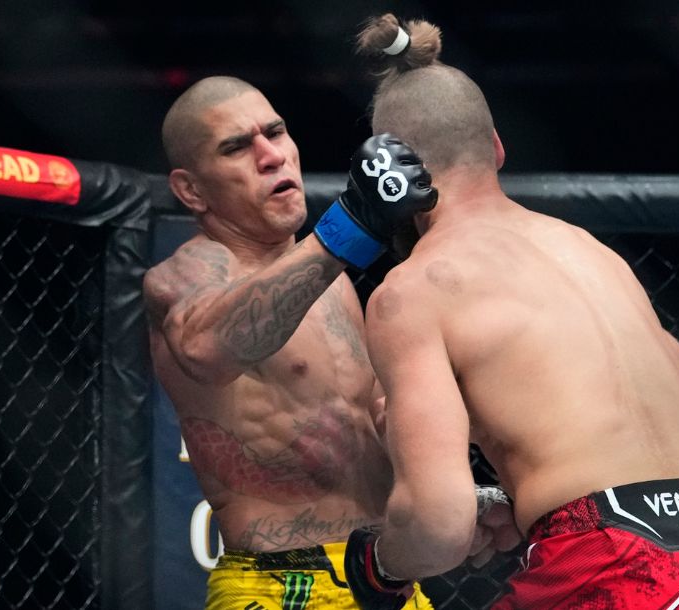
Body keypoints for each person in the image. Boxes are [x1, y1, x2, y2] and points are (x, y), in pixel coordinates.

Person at [341, 15, 679, 610]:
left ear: (388, 171)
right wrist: (531, 491)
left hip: (608, 561)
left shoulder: (413, 291)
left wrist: (379, 565)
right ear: (497, 146)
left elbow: (438, 524)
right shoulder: (594, 253)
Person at [144, 75, 453, 609]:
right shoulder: (186, 274)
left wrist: (450, 486)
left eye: (275, 132)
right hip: (279, 584)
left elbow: (375, 421)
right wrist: (349, 229)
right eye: (236, 147)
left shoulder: (331, 280)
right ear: (191, 190)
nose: (271, 156)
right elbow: (206, 349)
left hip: (384, 575)